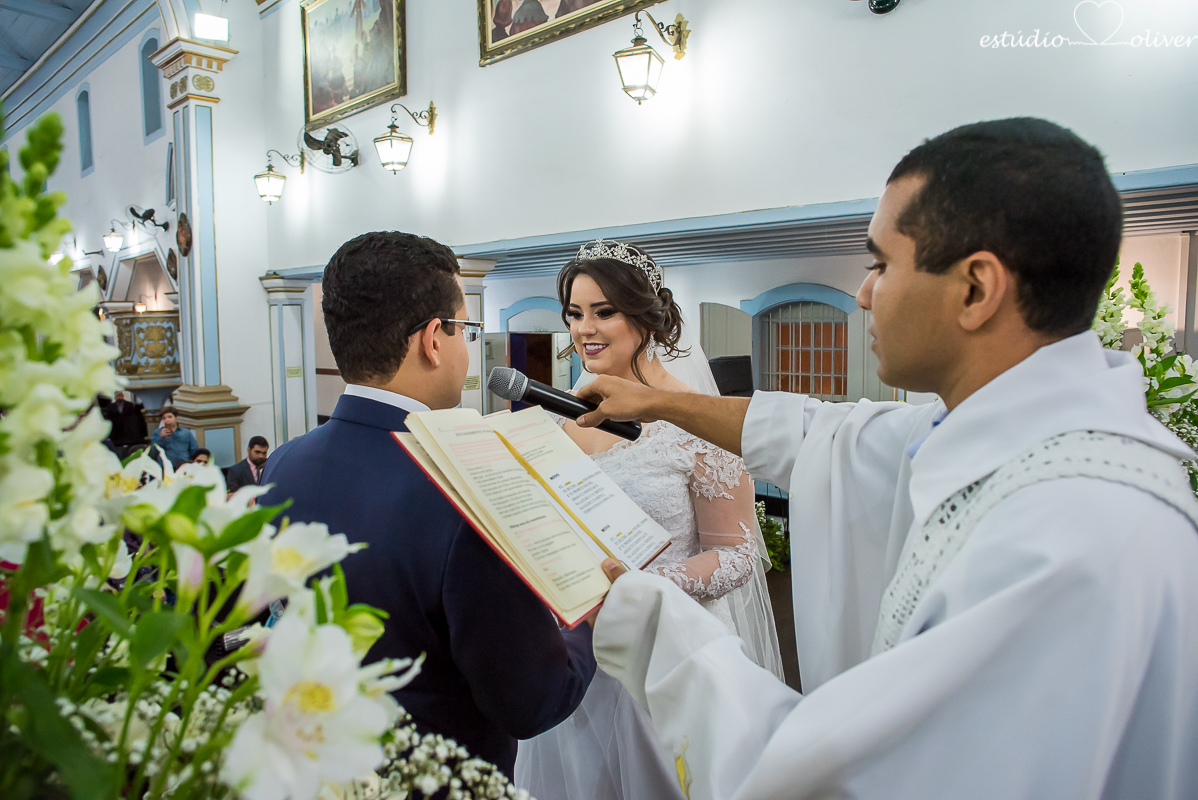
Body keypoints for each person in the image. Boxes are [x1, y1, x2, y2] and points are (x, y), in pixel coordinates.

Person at [572, 119, 1198, 800]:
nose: (865, 293)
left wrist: (648, 623)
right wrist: (659, 403)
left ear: (976, 289)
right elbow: (818, 434)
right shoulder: (995, 427)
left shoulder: (1065, 530)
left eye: (880, 265)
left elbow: (853, 778)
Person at [260, 231, 596, 777]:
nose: (466, 348)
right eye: (465, 330)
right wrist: (589, 621)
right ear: (434, 340)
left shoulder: (283, 464)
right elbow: (532, 701)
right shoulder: (463, 490)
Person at [514, 241, 783, 800]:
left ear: (646, 317)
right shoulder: (560, 416)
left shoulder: (696, 418)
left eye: (604, 311)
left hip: (666, 647)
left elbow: (739, 554)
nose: (585, 329)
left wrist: (644, 586)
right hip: (574, 653)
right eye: (574, 313)